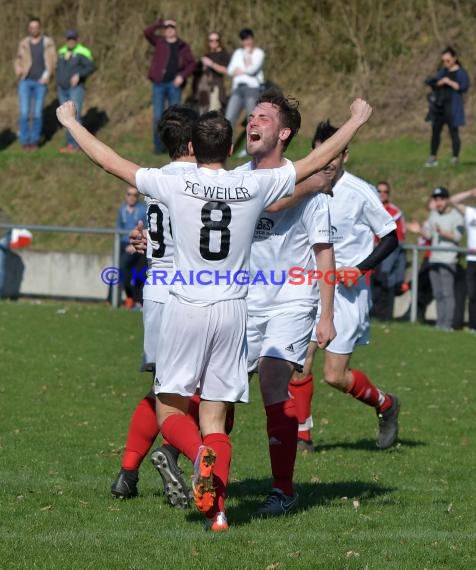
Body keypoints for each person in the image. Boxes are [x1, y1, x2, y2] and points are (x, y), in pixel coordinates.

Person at [56, 97, 373, 531]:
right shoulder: (250, 185)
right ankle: (219, 512)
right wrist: (355, 120)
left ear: (191, 147)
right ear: (229, 150)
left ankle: (211, 463)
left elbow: (111, 161)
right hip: (235, 310)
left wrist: (71, 122)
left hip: (190, 305)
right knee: (215, 416)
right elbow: (317, 160)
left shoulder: (177, 183)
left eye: (263, 116)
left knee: (172, 412)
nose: (254, 121)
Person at [237, 91, 335, 516]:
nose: (251, 122)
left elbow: (323, 251)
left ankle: (283, 489)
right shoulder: (238, 177)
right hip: (241, 300)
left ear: (283, 132)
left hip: (291, 302)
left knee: (272, 383)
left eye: (263, 116)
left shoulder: (313, 191)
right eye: (250, 116)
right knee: (216, 389)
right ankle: (208, 472)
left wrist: (326, 314)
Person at [279, 121, 401, 451]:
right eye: (323, 152)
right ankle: (303, 436)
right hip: (311, 286)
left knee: (334, 375)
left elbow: (391, 238)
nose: (329, 160)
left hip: (347, 293)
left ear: (345, 154)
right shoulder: (304, 188)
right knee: (298, 361)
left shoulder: (360, 192)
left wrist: (360, 269)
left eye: (335, 153)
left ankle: (386, 404)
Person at [111, 105, 199, 506]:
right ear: (195, 141)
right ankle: (178, 455)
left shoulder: (152, 181)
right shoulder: (202, 181)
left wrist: (144, 238)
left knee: (162, 389)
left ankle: (128, 473)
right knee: (208, 392)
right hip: (191, 292)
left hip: (156, 291)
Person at [410, 187, 464, 331]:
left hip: (448, 260)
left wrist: (443, 232)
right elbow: (428, 235)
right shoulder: (433, 215)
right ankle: (440, 325)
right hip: (434, 259)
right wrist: (420, 229)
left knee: (447, 293)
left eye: (441, 199)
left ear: (447, 200)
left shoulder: (456, 216)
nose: (438, 202)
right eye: (436, 199)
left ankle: (448, 324)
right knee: (438, 293)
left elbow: (458, 236)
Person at [143, 17, 196, 154]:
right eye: (167, 28)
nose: (169, 30)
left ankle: (175, 146)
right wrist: (160, 23)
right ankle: (158, 146)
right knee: (157, 116)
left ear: (176, 29)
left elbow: (192, 64)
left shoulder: (183, 46)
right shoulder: (159, 42)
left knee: (175, 117)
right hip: (158, 84)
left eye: (172, 27)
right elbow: (147, 32)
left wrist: (182, 76)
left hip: (174, 86)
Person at [14, 17, 57, 150]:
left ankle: (35, 141)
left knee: (37, 113)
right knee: (24, 113)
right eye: (31, 27)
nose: (34, 29)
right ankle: (25, 141)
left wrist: (47, 76)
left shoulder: (48, 42)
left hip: (40, 82)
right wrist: (17, 68)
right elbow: (17, 59)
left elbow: (53, 61)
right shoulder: (24, 43)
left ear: (40, 27)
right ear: (29, 28)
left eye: (36, 27)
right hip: (25, 81)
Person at [424, 46, 470, 167]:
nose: (445, 63)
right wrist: (438, 82)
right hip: (439, 106)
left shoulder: (461, 72)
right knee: (435, 132)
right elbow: (434, 83)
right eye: (443, 61)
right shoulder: (443, 71)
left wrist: (449, 82)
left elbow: (463, 87)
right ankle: (433, 157)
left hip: (452, 107)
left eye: (448, 60)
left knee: (453, 132)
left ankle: (455, 157)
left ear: (454, 59)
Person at [56, 28, 96, 153]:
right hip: (62, 88)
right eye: (69, 39)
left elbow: (91, 66)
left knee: (74, 116)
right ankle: (70, 144)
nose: (71, 41)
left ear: (76, 39)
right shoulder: (62, 51)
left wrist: (79, 74)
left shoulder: (82, 51)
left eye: (73, 39)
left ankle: (78, 145)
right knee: (65, 116)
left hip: (76, 89)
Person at [371, 181, 406, 320]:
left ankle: (385, 315)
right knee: (374, 282)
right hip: (371, 250)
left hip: (387, 251)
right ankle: (373, 313)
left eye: (385, 192)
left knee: (386, 281)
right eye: (379, 191)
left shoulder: (394, 211)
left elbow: (399, 235)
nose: (382, 194)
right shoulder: (370, 208)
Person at [225, 28, 264, 151]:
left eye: (248, 38)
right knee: (229, 118)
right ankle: (226, 147)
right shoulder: (237, 53)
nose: (246, 41)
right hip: (238, 88)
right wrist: (242, 70)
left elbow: (252, 69)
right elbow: (231, 70)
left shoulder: (259, 53)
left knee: (252, 120)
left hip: (252, 89)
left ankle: (252, 147)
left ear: (252, 39)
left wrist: (246, 56)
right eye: (243, 39)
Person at [115, 187, 147, 309]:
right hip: (123, 244)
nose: (132, 197)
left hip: (136, 246)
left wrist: (135, 244)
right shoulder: (122, 209)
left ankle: (133, 299)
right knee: (118, 271)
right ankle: (118, 299)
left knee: (136, 273)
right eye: (129, 194)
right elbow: (119, 227)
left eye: (135, 195)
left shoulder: (142, 210)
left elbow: (146, 230)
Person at [450, 188, 476, 332]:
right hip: (472, 259)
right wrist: (471, 192)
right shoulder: (471, 212)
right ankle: (473, 326)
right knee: (472, 295)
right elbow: (453, 200)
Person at [194, 32, 230, 114]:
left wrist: (211, 64)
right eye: (211, 40)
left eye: (216, 40)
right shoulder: (206, 53)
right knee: (202, 113)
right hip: (203, 88)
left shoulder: (224, 54)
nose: (214, 42)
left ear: (219, 41)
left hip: (215, 87)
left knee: (213, 113)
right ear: (208, 41)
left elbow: (226, 70)